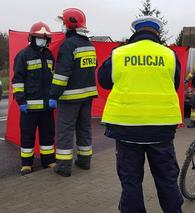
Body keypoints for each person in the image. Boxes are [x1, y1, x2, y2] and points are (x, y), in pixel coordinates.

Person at [98, 16, 183, 213]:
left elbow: (103, 81)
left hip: (127, 129)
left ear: (135, 32)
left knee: (131, 181)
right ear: (157, 33)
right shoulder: (169, 55)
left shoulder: (119, 53)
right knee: (167, 179)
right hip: (161, 129)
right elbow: (175, 82)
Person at [50, 8, 97, 177]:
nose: (62, 25)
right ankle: (85, 162)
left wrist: (54, 95)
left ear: (70, 24)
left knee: (65, 131)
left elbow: (62, 75)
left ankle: (63, 167)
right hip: (87, 95)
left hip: (70, 97)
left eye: (63, 22)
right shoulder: (89, 44)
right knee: (84, 129)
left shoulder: (68, 45)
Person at [12, 22, 56, 175]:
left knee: (48, 135)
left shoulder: (49, 55)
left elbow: (54, 77)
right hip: (29, 108)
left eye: (44, 38)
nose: (41, 40)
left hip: (46, 107)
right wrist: (21, 101)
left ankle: (48, 160)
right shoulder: (23, 55)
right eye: (38, 37)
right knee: (27, 136)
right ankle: (26, 164)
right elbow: (17, 81)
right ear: (31, 38)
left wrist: (53, 97)